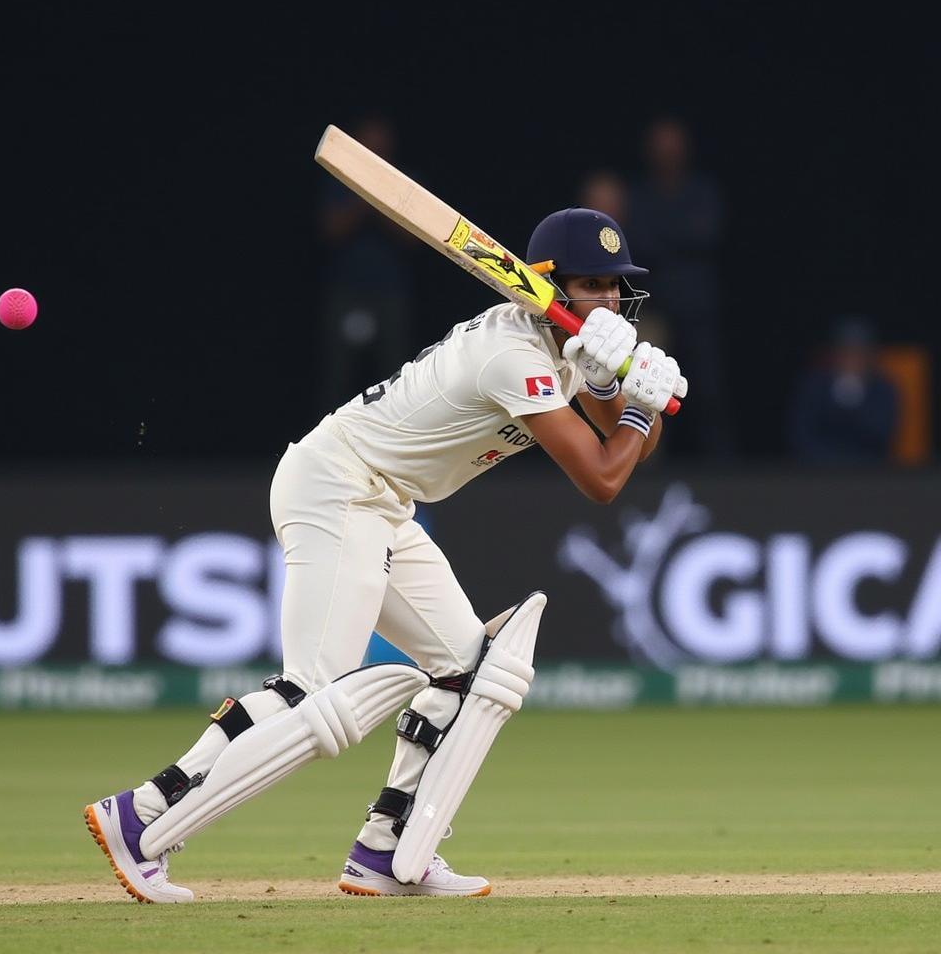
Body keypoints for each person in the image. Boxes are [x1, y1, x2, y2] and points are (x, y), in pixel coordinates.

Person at [83, 207, 688, 902]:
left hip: (384, 503)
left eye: (617, 287)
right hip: (338, 485)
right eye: (593, 284)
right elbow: (604, 478)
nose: (609, 301)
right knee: (309, 690)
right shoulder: (513, 354)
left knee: (467, 672)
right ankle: (142, 813)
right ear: (544, 284)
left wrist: (616, 386)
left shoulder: (565, 353)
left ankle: (385, 848)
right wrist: (638, 407)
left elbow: (622, 442)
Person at [625, 116, 729, 457]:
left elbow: (706, 235)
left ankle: (722, 468)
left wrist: (664, 239)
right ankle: (648, 464)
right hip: (655, 307)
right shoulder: (639, 193)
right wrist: (677, 237)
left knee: (708, 390)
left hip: (698, 307)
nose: (667, 152)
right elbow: (638, 241)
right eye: (660, 146)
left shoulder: (702, 190)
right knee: (649, 389)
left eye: (673, 145)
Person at [316, 114, 416, 417]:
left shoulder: (404, 183)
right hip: (348, 290)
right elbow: (331, 230)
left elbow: (413, 239)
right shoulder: (341, 181)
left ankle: (397, 436)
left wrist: (382, 200)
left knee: (395, 370)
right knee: (337, 372)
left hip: (391, 291)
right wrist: (362, 197)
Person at [787, 316, 898, 462]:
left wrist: (853, 402)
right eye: (846, 352)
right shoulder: (814, 386)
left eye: (858, 353)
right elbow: (800, 434)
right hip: (817, 469)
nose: (851, 360)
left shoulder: (883, 389)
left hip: (868, 471)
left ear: (870, 357)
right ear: (835, 355)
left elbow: (882, 435)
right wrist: (827, 460)